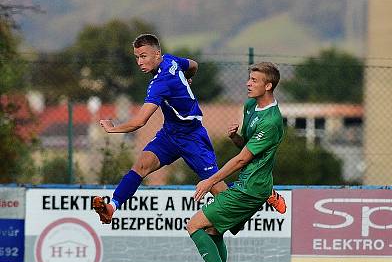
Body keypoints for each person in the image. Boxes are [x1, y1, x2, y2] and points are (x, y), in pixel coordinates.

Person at [91, 35, 286, 224]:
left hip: (192, 137)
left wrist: (112, 128)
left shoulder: (160, 83)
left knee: (220, 192)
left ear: (157, 54)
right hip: (169, 133)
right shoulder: (171, 60)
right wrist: (186, 78)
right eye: (137, 57)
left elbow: (140, 122)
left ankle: (263, 192)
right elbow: (194, 65)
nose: (139, 62)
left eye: (144, 56)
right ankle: (112, 207)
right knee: (141, 166)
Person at [187, 62, 286, 262]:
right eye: (249, 78)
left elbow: (242, 160)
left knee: (195, 225)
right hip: (247, 184)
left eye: (254, 80)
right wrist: (235, 137)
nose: (248, 83)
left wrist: (209, 180)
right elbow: (248, 149)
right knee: (212, 230)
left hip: (251, 189)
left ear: (268, 85)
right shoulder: (250, 105)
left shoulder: (272, 121)